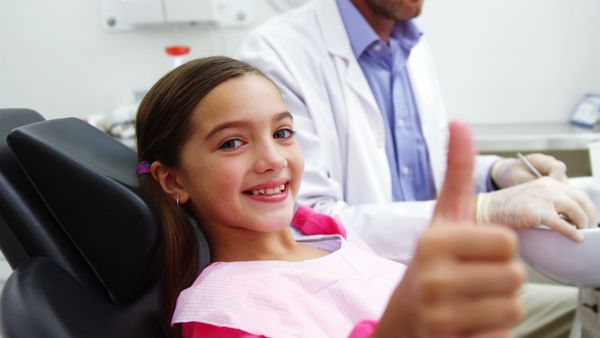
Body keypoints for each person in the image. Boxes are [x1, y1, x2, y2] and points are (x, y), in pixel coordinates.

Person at [238, 1, 599, 336]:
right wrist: (483, 211)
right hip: (353, 299)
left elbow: (427, 160)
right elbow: (306, 221)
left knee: (591, 312)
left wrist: (495, 174)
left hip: (441, 278)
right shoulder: (280, 51)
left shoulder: (410, 44)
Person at [135, 56, 525, 337]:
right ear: (172, 180)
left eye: (282, 133)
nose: (273, 159)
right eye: (232, 143)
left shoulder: (327, 236)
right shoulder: (223, 313)